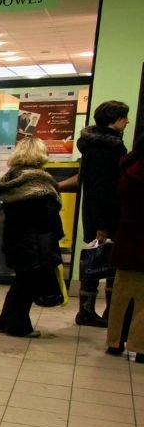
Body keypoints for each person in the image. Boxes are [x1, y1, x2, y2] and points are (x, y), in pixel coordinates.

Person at [0, 137, 63, 338]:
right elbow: (49, 218)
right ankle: (18, 325)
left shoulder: (10, 179)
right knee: (27, 284)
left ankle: (5, 320)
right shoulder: (41, 182)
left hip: (13, 238)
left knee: (21, 281)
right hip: (35, 242)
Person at [75, 100, 131, 327]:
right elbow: (103, 188)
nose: (127, 122)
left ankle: (101, 310)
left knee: (101, 260)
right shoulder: (107, 150)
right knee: (103, 261)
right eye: (124, 117)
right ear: (115, 120)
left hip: (96, 213)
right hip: (105, 216)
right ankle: (91, 312)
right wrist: (102, 224)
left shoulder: (92, 146)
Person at [106, 132, 144, 361]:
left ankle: (114, 342)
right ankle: (139, 346)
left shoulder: (127, 165)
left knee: (120, 295)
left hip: (127, 233)